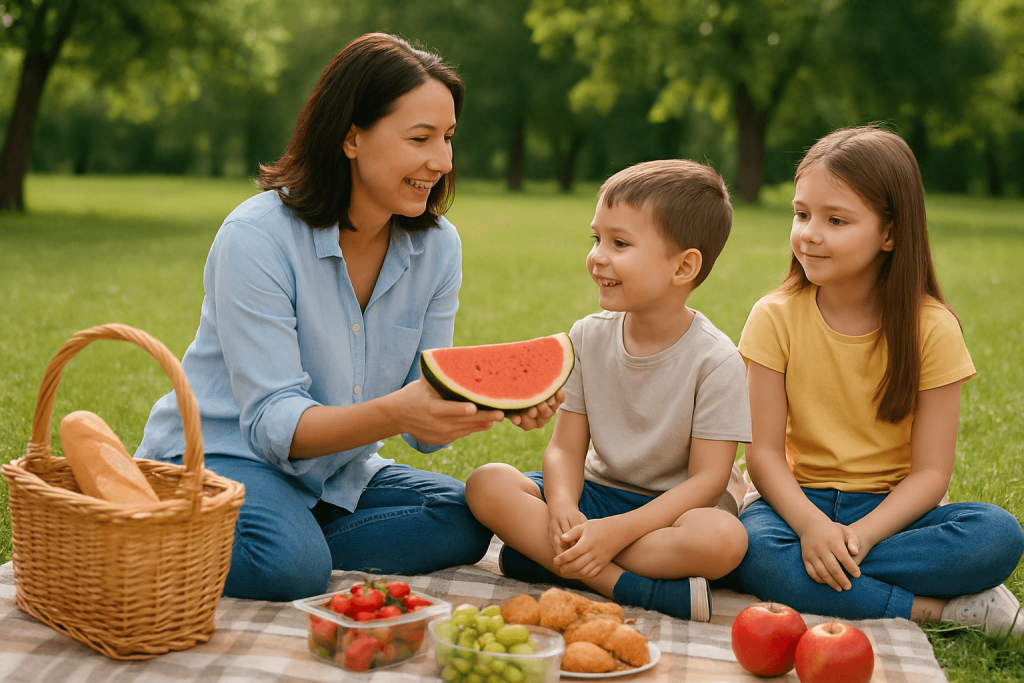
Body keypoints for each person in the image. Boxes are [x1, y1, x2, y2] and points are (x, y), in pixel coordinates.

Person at [135, 33, 560, 602]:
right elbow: (272, 425)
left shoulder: (437, 248)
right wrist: (398, 411)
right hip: (226, 457)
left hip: (336, 471)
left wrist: (495, 403)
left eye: (449, 138)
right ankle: (208, 529)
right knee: (292, 570)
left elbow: (418, 418)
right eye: (420, 138)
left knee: (464, 517)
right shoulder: (256, 238)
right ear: (352, 137)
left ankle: (286, 534)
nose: (443, 161)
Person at [732, 125, 1024, 635]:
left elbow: (932, 474)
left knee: (997, 535)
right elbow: (762, 455)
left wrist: (859, 537)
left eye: (836, 219)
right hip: (796, 502)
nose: (809, 233)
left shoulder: (931, 327)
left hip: (893, 514)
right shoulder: (773, 317)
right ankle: (942, 611)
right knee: (753, 552)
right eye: (801, 214)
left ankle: (832, 573)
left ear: (890, 233)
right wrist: (811, 527)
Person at [466, 160, 751, 622]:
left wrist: (617, 533)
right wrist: (560, 504)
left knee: (724, 540)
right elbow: (564, 448)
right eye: (596, 238)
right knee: (487, 483)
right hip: (595, 494)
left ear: (684, 266)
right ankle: (627, 586)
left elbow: (707, 482)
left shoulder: (716, 361)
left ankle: (548, 558)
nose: (598, 255)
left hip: (672, 512)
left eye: (619, 243)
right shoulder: (587, 336)